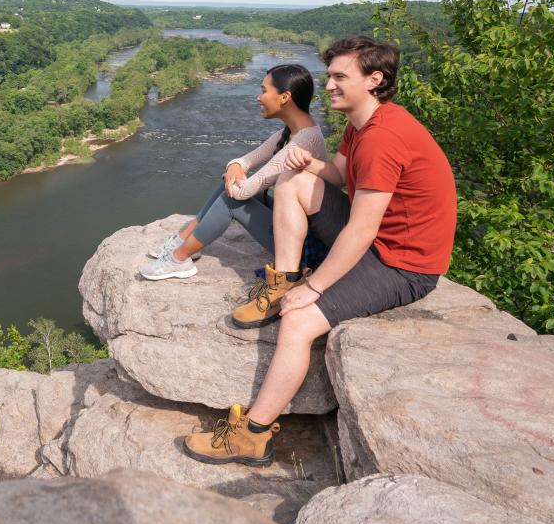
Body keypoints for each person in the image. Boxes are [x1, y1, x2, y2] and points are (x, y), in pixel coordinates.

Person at [183, 36, 457, 466]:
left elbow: (364, 228)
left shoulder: (385, 137)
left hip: (402, 264)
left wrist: (317, 288)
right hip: (378, 240)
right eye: (329, 76)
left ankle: (253, 436)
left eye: (339, 77)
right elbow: (336, 175)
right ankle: (283, 280)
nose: (328, 85)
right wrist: (306, 165)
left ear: (375, 80)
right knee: (292, 182)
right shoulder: (361, 122)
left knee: (298, 320)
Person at [139, 64, 326, 281]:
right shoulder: (292, 132)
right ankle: (184, 237)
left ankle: (178, 258)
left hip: (303, 247)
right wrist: (234, 167)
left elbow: (243, 192)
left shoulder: (304, 141)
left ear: (285, 97)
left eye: (264, 91)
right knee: (229, 184)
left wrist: (234, 173)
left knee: (232, 199)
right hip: (294, 227)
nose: (258, 97)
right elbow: (244, 161)